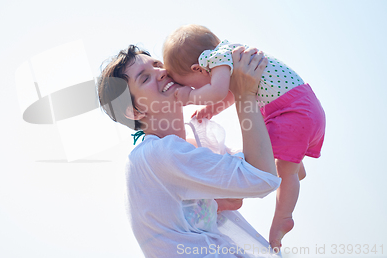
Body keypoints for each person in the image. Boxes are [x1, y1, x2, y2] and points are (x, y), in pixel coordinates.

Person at [97, 44, 281, 257]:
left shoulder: (182, 147)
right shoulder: (158, 154)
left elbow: (234, 197)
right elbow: (261, 178)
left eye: (157, 64)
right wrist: (244, 94)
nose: (161, 72)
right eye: (145, 78)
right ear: (135, 111)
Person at [162, 24, 326, 249]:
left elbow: (218, 91)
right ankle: (295, 166)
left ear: (198, 68)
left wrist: (189, 96)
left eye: (191, 84)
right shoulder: (227, 55)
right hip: (300, 107)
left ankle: (283, 217)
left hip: (292, 112)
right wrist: (213, 110)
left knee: (280, 171)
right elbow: (233, 93)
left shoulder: (214, 59)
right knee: (276, 157)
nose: (198, 90)